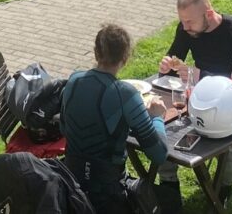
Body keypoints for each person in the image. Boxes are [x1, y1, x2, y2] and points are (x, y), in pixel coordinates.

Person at [62, 23, 168, 214]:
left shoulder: (73, 81)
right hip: (107, 194)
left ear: (96, 53)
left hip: (71, 185)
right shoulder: (125, 94)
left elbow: (64, 127)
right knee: (164, 200)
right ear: (125, 58)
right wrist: (157, 117)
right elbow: (159, 154)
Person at [158, 0, 232, 200]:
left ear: (208, 14)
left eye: (189, 22)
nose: (185, 27)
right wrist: (167, 66)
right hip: (197, 100)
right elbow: (174, 61)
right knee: (161, 134)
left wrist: (201, 75)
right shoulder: (187, 30)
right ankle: (169, 188)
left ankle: (221, 192)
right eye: (182, 21)